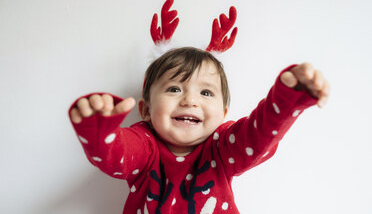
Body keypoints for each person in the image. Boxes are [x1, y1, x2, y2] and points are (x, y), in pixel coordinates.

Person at [69, 47, 329, 214]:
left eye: (206, 92)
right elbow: (117, 154)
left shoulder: (222, 146)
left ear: (223, 114)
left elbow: (258, 135)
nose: (189, 101)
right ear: (146, 110)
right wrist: (99, 131)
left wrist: (286, 100)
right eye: (174, 89)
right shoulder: (144, 144)